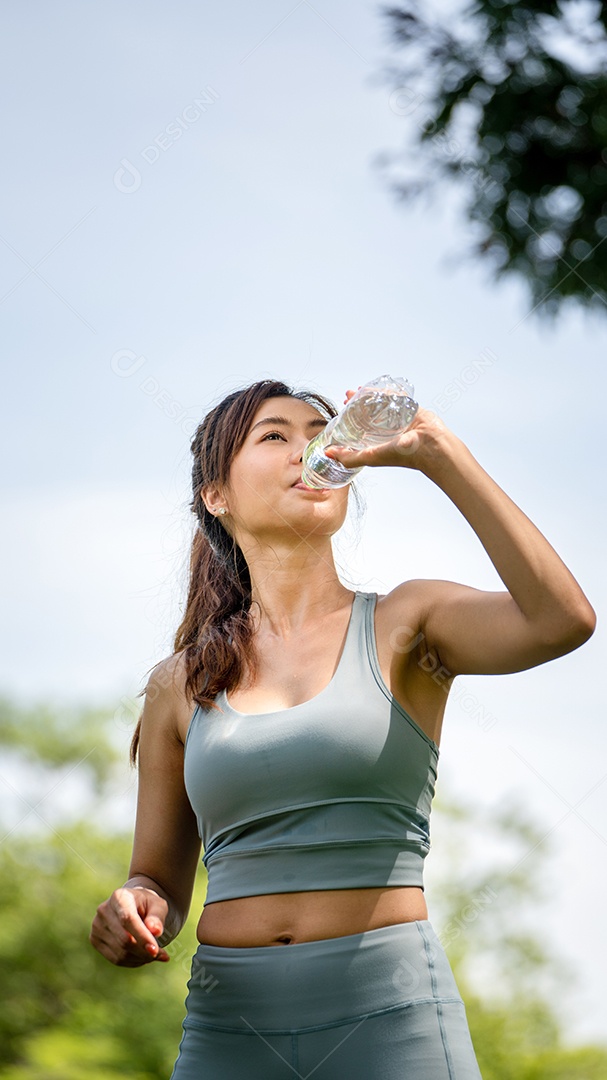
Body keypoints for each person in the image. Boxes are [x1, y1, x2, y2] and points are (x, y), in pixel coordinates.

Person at [90, 378, 595, 1079]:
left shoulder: (407, 621)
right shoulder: (179, 683)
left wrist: (441, 455)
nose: (310, 447)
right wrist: (133, 908)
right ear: (217, 495)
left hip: (393, 1023)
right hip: (227, 1028)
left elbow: (560, 622)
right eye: (276, 435)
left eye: (319, 431)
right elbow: (157, 881)